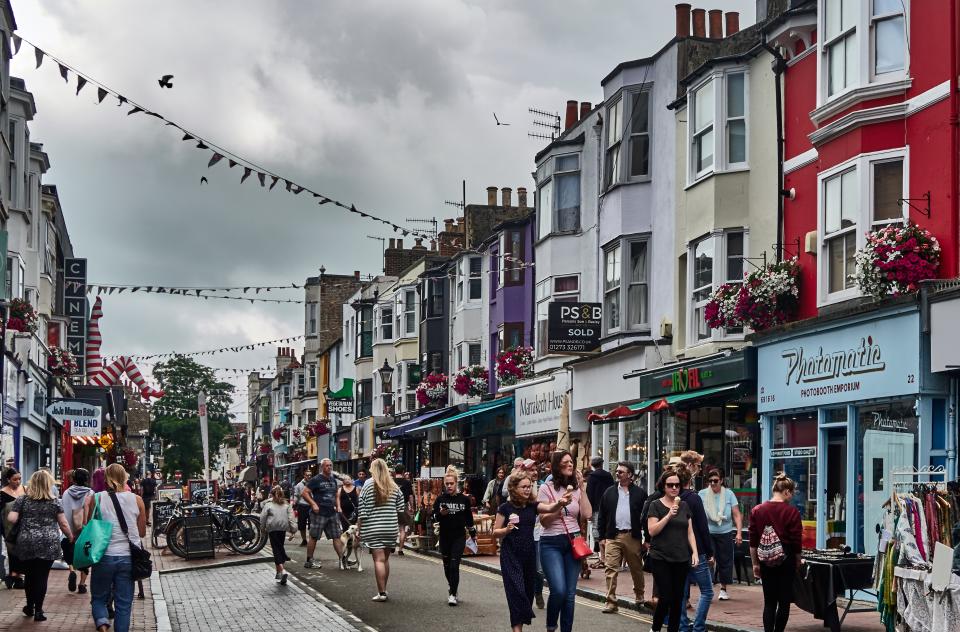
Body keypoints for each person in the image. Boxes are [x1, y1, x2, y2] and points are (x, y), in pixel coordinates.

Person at [493, 471, 571, 632]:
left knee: (528, 593)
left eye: (529, 486)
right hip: (511, 555)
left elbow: (549, 507)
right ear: (514, 488)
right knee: (516, 591)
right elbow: (494, 532)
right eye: (524, 487)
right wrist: (506, 530)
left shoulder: (532, 506)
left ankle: (521, 622)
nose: (528, 489)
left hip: (528, 554)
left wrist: (560, 503)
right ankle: (517, 629)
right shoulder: (505, 508)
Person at [83, 463, 145, 632]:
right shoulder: (137, 500)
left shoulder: (97, 498)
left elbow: (90, 526)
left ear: (106, 478)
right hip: (128, 557)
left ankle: (102, 623)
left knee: (98, 598)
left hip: (103, 555)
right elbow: (141, 532)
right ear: (125, 477)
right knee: (124, 604)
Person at [537, 450, 593, 632]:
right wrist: (560, 505)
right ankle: (552, 626)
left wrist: (583, 488)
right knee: (559, 590)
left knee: (569, 595)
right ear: (557, 466)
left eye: (572, 462)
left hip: (573, 541)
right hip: (551, 542)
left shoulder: (576, 489)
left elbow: (587, 514)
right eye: (566, 462)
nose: (570, 465)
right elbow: (544, 522)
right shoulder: (546, 488)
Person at [7, 470, 72, 621]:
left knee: (29, 576)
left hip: (27, 541)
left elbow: (12, 519)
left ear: (32, 483)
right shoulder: (55, 501)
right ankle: (39, 611)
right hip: (48, 542)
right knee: (42, 576)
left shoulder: (22, 500)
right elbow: (63, 523)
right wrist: (70, 536)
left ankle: (29, 607)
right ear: (48, 484)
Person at [750, 473, 803, 632]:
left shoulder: (757, 510)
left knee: (769, 601)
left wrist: (755, 564)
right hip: (786, 559)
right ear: (786, 491)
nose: (792, 496)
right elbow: (796, 541)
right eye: (791, 493)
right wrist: (798, 560)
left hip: (766, 559)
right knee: (784, 601)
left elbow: (753, 542)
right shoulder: (792, 512)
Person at [647, 469, 698, 632]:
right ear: (663, 486)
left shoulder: (684, 505)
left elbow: (690, 532)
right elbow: (652, 531)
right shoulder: (655, 505)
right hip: (660, 557)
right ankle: (655, 628)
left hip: (681, 557)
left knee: (678, 599)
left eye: (677, 485)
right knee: (666, 597)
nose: (674, 488)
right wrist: (669, 515)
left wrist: (695, 552)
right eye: (670, 485)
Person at [595, 461, 648, 614]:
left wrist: (648, 539)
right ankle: (611, 602)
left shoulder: (639, 493)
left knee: (636, 569)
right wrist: (601, 537)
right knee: (610, 568)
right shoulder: (609, 492)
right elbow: (602, 516)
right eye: (617, 471)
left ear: (630, 475)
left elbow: (645, 518)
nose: (617, 474)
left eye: (621, 472)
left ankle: (640, 597)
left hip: (632, 536)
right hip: (613, 535)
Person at [357, 458, 404, 602]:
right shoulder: (393, 485)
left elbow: (362, 509)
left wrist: (359, 529)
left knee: (378, 560)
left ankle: (381, 592)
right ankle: (385, 589)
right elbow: (400, 507)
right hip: (390, 527)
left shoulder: (367, 484)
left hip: (373, 527)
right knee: (385, 559)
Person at [676, 462, 714, 632]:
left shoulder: (669, 498)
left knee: (681, 593)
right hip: (696, 551)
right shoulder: (693, 498)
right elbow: (702, 526)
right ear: (689, 478)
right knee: (707, 591)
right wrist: (709, 550)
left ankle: (683, 627)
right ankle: (698, 627)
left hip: (677, 552)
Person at [432, 467, 476, 606]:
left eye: (451, 483)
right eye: (447, 484)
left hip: (459, 536)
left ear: (457, 483)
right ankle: (453, 587)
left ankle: (452, 594)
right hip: (445, 536)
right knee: (446, 566)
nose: (449, 486)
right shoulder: (440, 499)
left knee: (454, 565)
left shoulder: (464, 499)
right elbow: (433, 517)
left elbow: (469, 518)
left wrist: (473, 533)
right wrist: (440, 514)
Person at [699, 467, 743, 601]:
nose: (712, 484)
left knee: (725, 560)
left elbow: (736, 514)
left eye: (715, 481)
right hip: (708, 532)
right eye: (710, 481)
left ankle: (723, 589)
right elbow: (698, 514)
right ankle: (708, 588)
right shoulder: (702, 494)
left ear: (722, 480)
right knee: (709, 560)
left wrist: (739, 533)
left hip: (725, 532)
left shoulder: (729, 494)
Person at [301, 459, 346, 569]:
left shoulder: (333, 480)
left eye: (330, 465)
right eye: (327, 466)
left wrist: (338, 506)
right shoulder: (316, 479)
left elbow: (336, 495)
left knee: (337, 536)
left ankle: (342, 560)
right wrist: (313, 504)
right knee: (314, 537)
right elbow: (304, 493)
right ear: (322, 467)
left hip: (332, 513)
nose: (329, 467)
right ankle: (309, 561)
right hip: (319, 513)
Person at [62, 467, 94, 594]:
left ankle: (72, 571)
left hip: (69, 530)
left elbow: (63, 510)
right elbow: (92, 511)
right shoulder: (91, 493)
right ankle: (82, 584)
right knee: (85, 555)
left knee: (69, 553)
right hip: (84, 530)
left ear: (73, 479)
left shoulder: (66, 493)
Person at [260, 486, 296, 585]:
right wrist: (293, 531)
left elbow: (262, 518)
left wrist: (262, 529)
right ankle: (279, 573)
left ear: (271, 495)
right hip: (282, 529)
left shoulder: (268, 505)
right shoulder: (287, 505)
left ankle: (282, 570)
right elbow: (291, 518)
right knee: (280, 548)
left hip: (272, 529)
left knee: (276, 550)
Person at [586, 456, 615, 570]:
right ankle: (607, 557)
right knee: (607, 530)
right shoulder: (608, 476)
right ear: (602, 464)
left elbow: (590, 494)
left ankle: (602, 557)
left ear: (593, 465)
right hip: (609, 507)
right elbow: (613, 490)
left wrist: (590, 510)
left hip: (596, 508)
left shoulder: (592, 477)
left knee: (597, 530)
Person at [1, 467, 25, 589]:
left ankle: (16, 575)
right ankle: (14, 575)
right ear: (8, 480)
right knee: (11, 551)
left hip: (23, 526)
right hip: (8, 527)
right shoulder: (2, 493)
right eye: (15, 479)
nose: (18, 481)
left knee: (21, 550)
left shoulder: (24, 490)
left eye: (19, 478)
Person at [394, 465, 414, 555]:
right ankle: (400, 549)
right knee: (402, 528)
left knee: (392, 528)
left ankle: (392, 546)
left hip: (391, 507)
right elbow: (410, 496)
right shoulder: (407, 482)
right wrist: (412, 506)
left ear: (395, 472)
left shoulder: (391, 481)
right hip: (403, 506)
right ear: (403, 472)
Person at [292, 470, 311, 545]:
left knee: (312, 525)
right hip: (302, 506)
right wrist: (294, 503)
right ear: (304, 476)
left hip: (311, 506)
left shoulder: (313, 484)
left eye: (310, 475)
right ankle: (304, 540)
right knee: (302, 525)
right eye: (307, 475)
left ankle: (311, 541)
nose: (309, 476)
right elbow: (296, 495)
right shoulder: (299, 485)